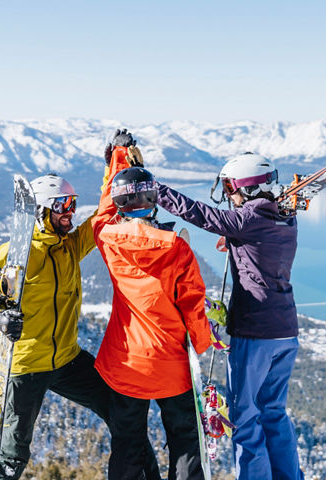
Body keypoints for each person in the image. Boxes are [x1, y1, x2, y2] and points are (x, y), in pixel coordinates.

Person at [0, 173, 160, 480]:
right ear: (41, 211)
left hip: (67, 358)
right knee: (12, 454)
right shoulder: (17, 254)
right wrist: (0, 318)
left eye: (72, 204)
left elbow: (102, 216)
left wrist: (117, 163)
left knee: (123, 414)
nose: (69, 212)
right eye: (61, 205)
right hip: (28, 364)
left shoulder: (69, 246)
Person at [155, 153, 304, 480]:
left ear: (248, 188)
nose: (229, 196)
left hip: (256, 333)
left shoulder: (248, 221)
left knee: (245, 416)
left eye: (231, 188)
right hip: (286, 331)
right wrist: (237, 239)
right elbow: (258, 237)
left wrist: (156, 190)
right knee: (274, 412)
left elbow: (200, 214)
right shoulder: (285, 218)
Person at [92, 130, 213, 480]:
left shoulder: (107, 238)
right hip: (172, 366)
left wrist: (117, 156)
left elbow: (104, 210)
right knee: (185, 441)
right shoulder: (177, 247)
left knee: (128, 443)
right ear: (152, 200)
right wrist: (201, 344)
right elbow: (193, 303)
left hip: (126, 363)